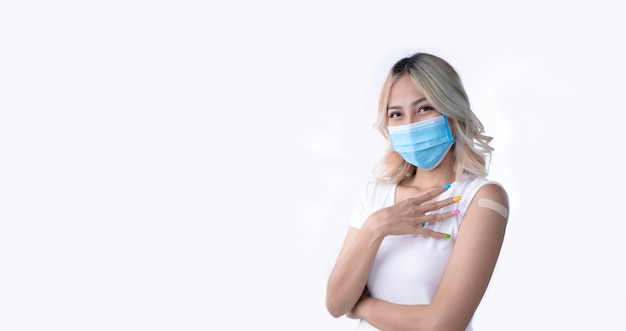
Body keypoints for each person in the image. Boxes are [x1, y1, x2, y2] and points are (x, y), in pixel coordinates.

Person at [325, 52, 509, 331]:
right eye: (396, 114)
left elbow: (442, 325)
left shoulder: (482, 199)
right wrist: (377, 226)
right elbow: (336, 303)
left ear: (452, 110)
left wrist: (360, 305)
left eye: (424, 109)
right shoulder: (374, 195)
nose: (410, 125)